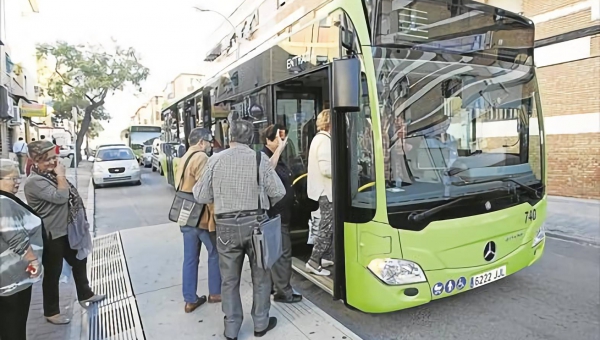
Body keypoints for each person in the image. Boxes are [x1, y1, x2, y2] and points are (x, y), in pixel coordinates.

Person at [194, 119, 286, 340]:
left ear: (229, 137)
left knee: (229, 280)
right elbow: (279, 191)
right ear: (251, 138)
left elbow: (201, 195)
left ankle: (232, 328)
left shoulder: (215, 160)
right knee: (261, 276)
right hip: (256, 225)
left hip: (225, 227)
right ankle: (261, 323)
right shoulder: (259, 158)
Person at [24, 141, 105, 325]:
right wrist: (61, 176)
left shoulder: (49, 175)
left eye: (55, 157)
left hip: (66, 230)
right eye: (48, 160)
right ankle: (51, 312)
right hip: (52, 233)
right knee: (53, 272)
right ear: (36, 161)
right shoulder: (34, 181)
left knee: (79, 260)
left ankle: (85, 294)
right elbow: (60, 197)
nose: (53, 162)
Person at [174, 128, 222, 314]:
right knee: (214, 252)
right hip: (200, 217)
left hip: (185, 215)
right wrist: (215, 217)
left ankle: (190, 299)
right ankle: (215, 293)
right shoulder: (201, 157)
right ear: (201, 142)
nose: (211, 145)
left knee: (190, 258)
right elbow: (205, 191)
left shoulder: (184, 157)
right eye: (209, 141)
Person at [0, 159, 44, 340]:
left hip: (6, 276)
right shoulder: (2, 201)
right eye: (12, 178)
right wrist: (33, 261)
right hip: (13, 276)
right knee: (14, 324)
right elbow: (14, 236)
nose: (17, 182)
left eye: (18, 178)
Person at [260, 124, 302, 304]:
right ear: (268, 140)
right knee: (283, 254)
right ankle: (284, 292)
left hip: (282, 213)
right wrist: (279, 149)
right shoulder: (264, 156)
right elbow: (267, 171)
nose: (282, 140)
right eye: (278, 137)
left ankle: (272, 285)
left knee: (274, 252)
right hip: (274, 214)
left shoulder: (281, 157)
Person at [306, 109, 334, 276]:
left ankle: (326, 256)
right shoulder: (324, 141)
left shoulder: (319, 138)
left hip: (322, 190)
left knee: (328, 225)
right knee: (326, 227)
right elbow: (326, 169)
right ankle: (314, 261)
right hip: (326, 191)